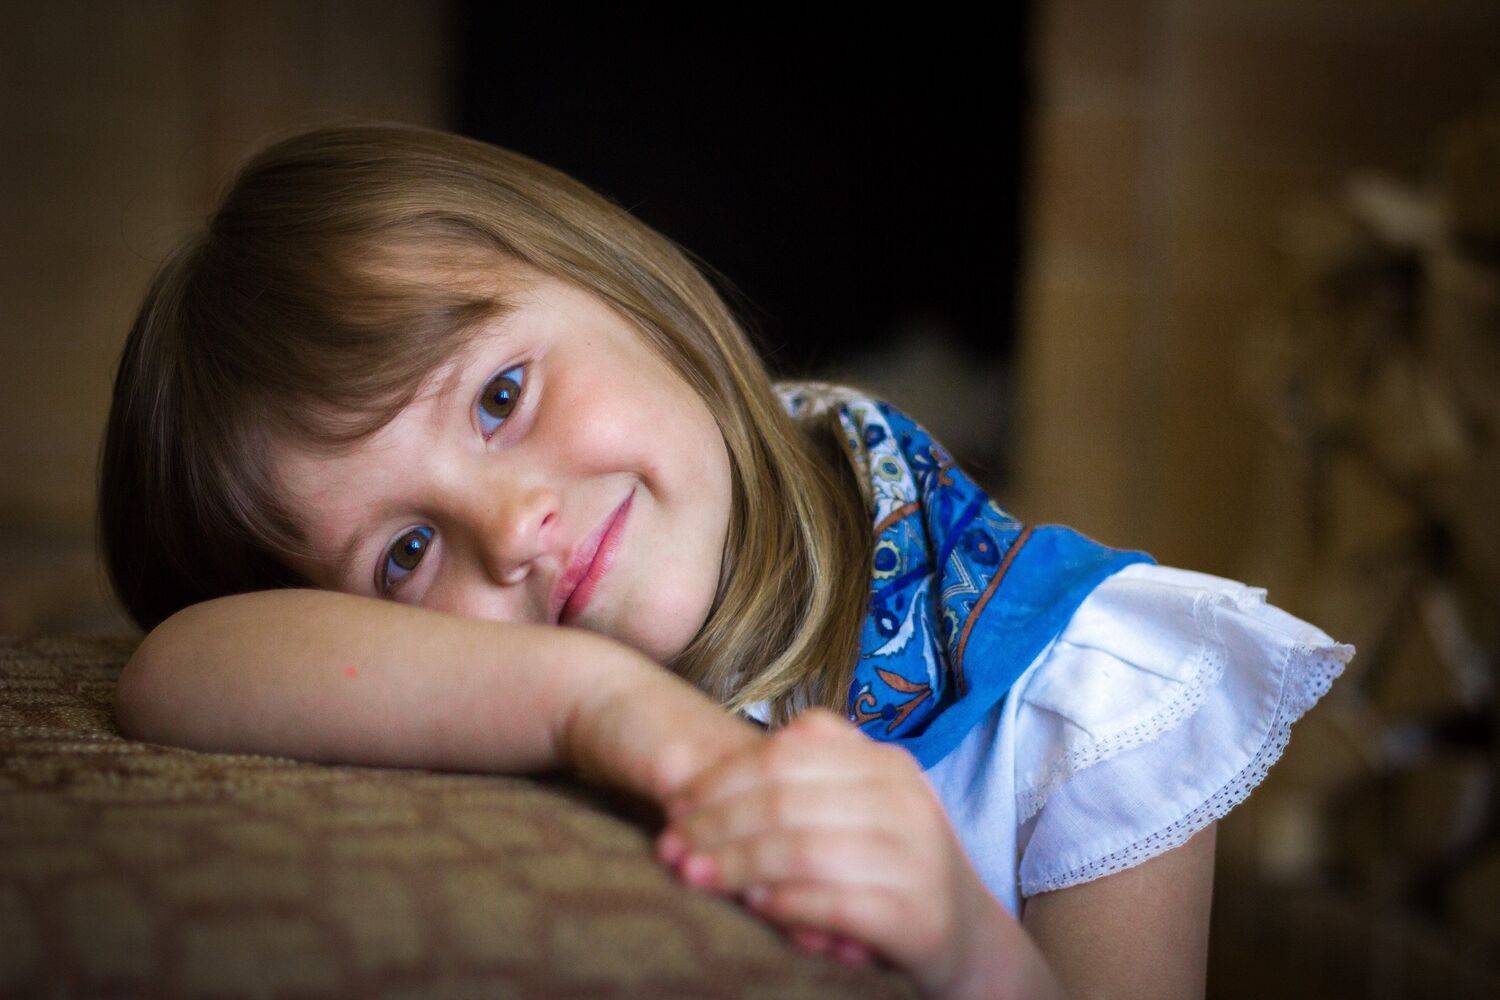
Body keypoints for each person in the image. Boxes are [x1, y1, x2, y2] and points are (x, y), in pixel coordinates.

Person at [99, 122, 1354, 999]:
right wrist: (607, 707)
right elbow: (177, 669)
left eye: (501, 395)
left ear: (623, 285)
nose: (515, 526)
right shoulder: (494, 682)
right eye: (407, 552)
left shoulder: (1089, 692)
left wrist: (969, 951)